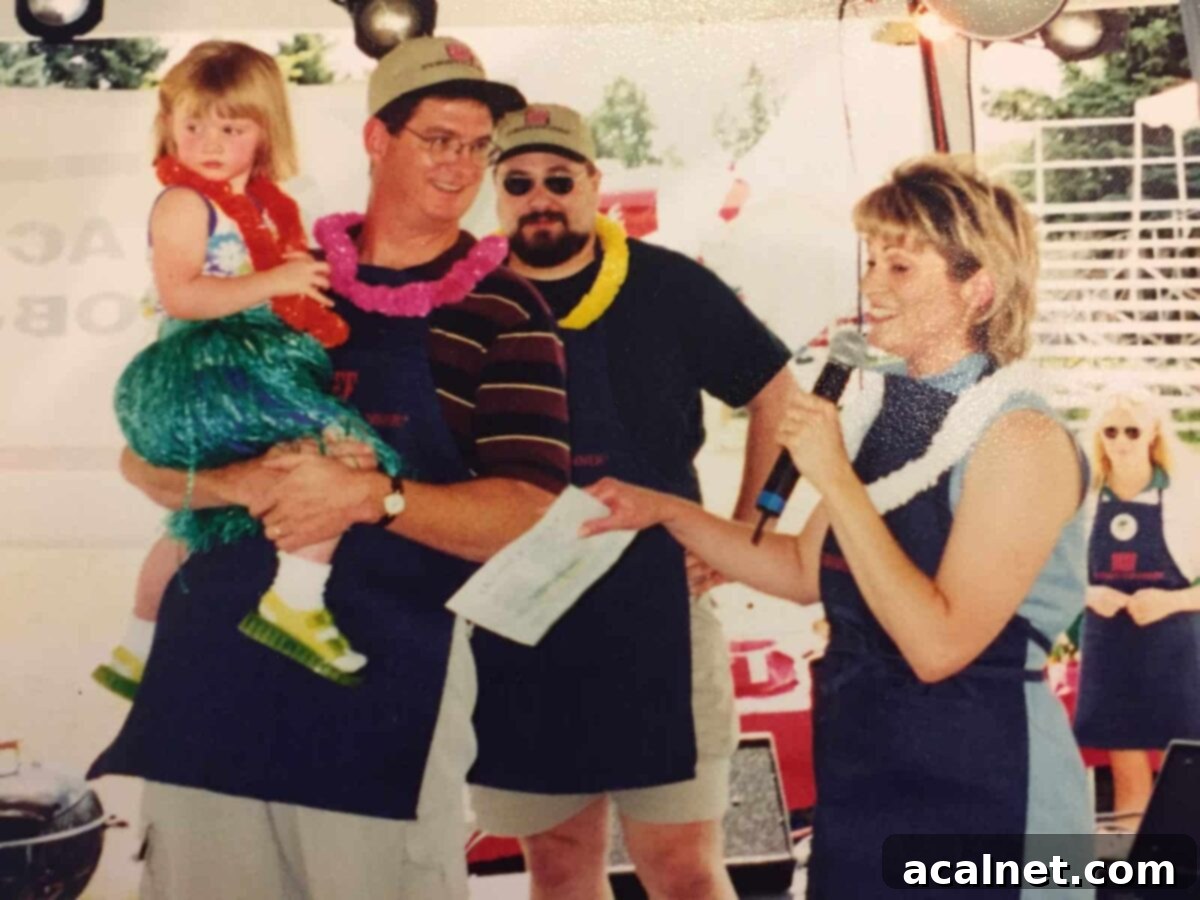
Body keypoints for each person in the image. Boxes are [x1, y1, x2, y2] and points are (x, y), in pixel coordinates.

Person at [90, 36, 570, 899]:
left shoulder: (509, 308)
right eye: (437, 137)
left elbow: (530, 515)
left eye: (477, 144)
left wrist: (372, 497)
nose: (460, 164)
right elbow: (144, 458)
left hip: (378, 709)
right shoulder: (275, 271)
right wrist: (237, 485)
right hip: (210, 694)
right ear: (376, 141)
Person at [582, 155, 1093, 898]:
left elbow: (939, 646)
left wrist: (834, 476)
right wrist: (665, 510)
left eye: (901, 267)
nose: (871, 286)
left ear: (976, 288)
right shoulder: (889, 409)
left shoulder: (1020, 437)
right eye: (872, 260)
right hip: (865, 769)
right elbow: (801, 572)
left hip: (986, 781)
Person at [470, 103, 795, 900]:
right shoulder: (466, 300)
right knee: (558, 869)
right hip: (518, 624)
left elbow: (776, 391)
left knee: (683, 870)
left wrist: (747, 530)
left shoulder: (668, 285)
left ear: (592, 183)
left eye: (558, 178)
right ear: (496, 192)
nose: (539, 196)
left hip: (657, 613)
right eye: (518, 182)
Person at [92, 40, 400, 699]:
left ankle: (135, 646)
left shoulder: (264, 202)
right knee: (339, 447)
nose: (207, 140)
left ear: (264, 134)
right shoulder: (184, 203)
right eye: (192, 123)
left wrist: (301, 284)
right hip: (209, 364)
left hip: (243, 359)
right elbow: (183, 295)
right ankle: (295, 596)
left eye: (230, 127)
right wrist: (273, 281)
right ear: (168, 122)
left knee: (197, 523)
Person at [1074, 389, 1200, 825]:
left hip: (1175, 649)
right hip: (1110, 648)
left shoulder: (1188, 497)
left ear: (1153, 434)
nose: (1122, 440)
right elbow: (1041, 573)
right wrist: (1087, 595)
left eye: (1133, 430)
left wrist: (1173, 600)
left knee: (1183, 774)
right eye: (1111, 431)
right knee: (1127, 779)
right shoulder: (1080, 499)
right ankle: (1136, 884)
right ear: (1099, 437)